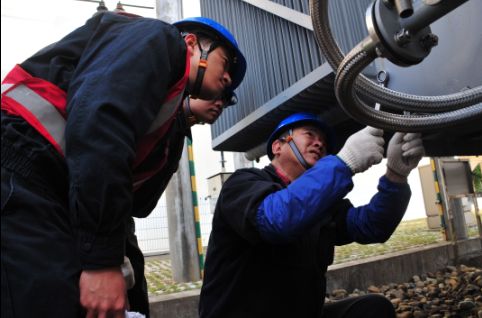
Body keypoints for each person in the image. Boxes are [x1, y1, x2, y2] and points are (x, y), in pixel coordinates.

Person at [1, 11, 246, 318]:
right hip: (21, 161)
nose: (227, 82)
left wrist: (181, 122)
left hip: (53, 184)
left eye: (229, 92)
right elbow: (101, 120)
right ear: (192, 43)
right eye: (226, 64)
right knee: (48, 299)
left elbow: (139, 202)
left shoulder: (166, 117)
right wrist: (102, 263)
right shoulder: (160, 39)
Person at [199, 112, 425, 318]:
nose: (319, 143)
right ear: (278, 146)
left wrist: (396, 175)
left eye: (324, 143)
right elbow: (277, 219)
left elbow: (372, 225)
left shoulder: (321, 204)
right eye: (309, 134)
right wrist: (344, 163)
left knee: (373, 309)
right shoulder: (243, 184)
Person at [125, 94, 239, 317]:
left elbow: (142, 205)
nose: (220, 104)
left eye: (225, 102)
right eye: (216, 96)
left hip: (123, 225)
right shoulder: (159, 116)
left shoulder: (177, 133)